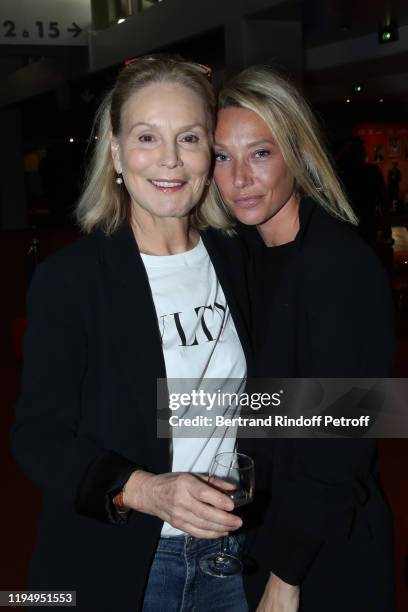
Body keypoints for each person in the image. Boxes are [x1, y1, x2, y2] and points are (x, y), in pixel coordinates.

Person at [11, 56, 252, 612]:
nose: (170, 159)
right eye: (147, 137)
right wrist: (145, 488)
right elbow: (37, 437)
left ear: (207, 153)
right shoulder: (71, 280)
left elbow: (267, 403)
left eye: (188, 138)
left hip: (234, 556)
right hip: (122, 560)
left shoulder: (240, 261)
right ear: (117, 153)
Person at [207, 65, 396, 612]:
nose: (240, 177)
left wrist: (286, 576)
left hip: (320, 549)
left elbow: (344, 436)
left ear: (298, 152)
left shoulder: (339, 266)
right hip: (262, 530)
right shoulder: (244, 258)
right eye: (223, 156)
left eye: (260, 153)